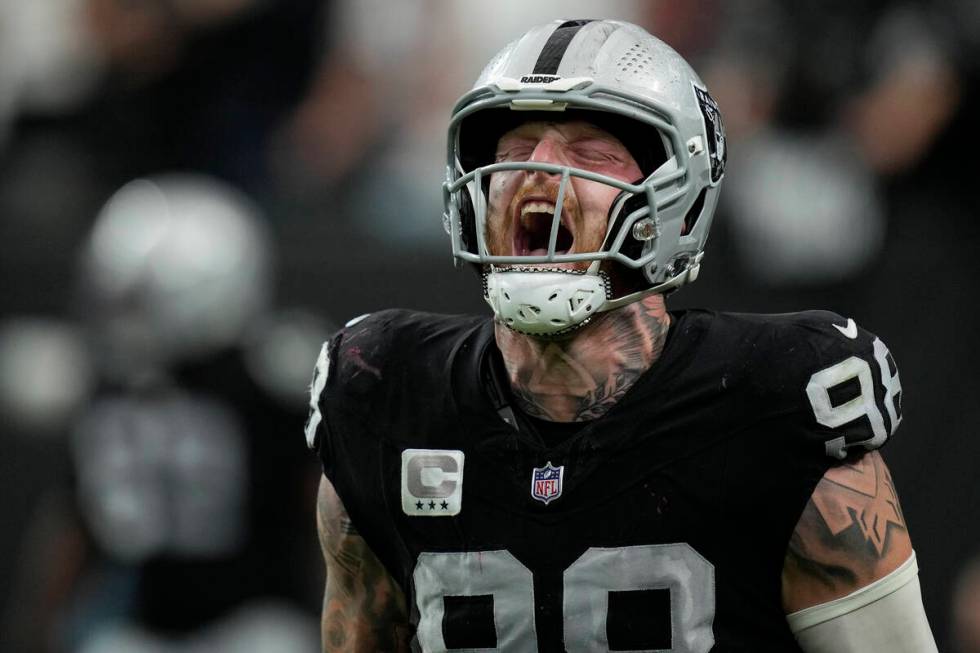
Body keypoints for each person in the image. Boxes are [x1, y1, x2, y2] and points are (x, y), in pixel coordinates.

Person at [305, 19, 937, 652]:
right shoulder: (383, 394)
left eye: (589, 152)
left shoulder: (778, 408)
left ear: (676, 199)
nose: (539, 171)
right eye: (516, 147)